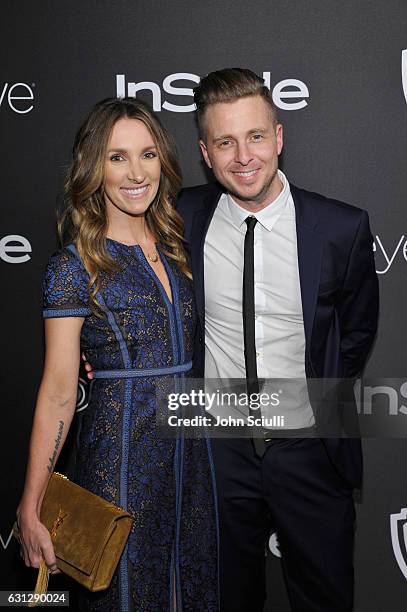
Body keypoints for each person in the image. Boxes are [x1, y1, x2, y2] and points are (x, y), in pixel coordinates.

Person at [175, 68, 379, 611]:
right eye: (225, 142)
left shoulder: (341, 228)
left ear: (280, 137)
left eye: (256, 136)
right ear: (205, 151)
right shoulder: (179, 216)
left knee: (325, 600)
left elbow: (354, 334)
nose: (243, 156)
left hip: (311, 450)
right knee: (222, 600)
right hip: (217, 455)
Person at [16, 97, 219, 612]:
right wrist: (32, 502)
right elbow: (61, 390)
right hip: (120, 463)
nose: (136, 172)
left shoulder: (178, 247)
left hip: (192, 463)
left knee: (192, 590)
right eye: (117, 156)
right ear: (93, 167)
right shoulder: (74, 265)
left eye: (148, 154)